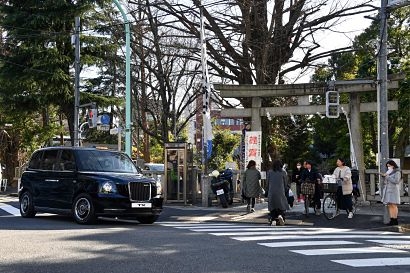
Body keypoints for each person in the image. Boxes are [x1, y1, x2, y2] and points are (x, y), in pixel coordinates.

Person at [266, 159, 289, 225]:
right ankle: (280, 215)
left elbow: (267, 183)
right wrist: (286, 189)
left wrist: (267, 189)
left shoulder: (270, 172)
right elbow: (285, 183)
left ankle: (273, 219)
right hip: (280, 191)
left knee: (272, 206)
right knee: (281, 205)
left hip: (271, 191)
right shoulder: (283, 172)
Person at [381, 160, 401, 226]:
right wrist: (384, 177)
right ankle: (392, 220)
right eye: (387, 166)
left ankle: (395, 220)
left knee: (394, 205)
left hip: (394, 190)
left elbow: (396, 181)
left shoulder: (397, 172)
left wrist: (387, 176)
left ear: (393, 165)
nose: (388, 167)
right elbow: (387, 181)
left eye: (389, 166)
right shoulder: (388, 172)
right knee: (389, 205)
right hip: (388, 190)